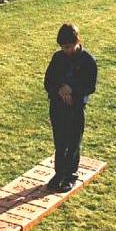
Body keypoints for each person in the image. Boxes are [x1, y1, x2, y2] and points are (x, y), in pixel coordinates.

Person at [44, 23, 97, 192]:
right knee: (60, 142)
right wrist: (60, 88)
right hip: (57, 107)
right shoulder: (57, 58)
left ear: (77, 41)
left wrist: (71, 90)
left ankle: (70, 175)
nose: (65, 50)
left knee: (73, 141)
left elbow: (90, 86)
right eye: (62, 47)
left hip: (75, 108)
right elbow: (48, 81)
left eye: (68, 47)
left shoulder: (88, 61)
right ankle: (59, 173)